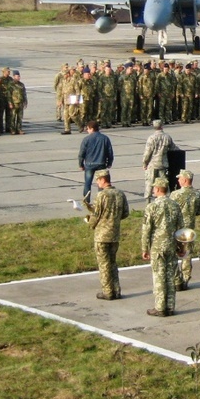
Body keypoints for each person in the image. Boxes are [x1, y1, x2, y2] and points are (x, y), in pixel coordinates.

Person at [141, 177, 184, 317]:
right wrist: (181, 246)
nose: (153, 190)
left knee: (159, 276)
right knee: (170, 276)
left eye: (154, 188)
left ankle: (160, 307)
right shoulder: (175, 205)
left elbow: (146, 229)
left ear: (159, 189)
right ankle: (170, 306)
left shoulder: (152, 206)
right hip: (171, 244)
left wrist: (144, 248)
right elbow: (180, 228)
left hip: (157, 246)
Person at [86, 169, 129, 300]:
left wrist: (90, 223)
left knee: (104, 264)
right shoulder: (120, 194)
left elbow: (96, 214)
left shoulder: (101, 195)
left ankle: (107, 291)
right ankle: (116, 290)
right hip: (114, 234)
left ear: (102, 179)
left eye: (98, 180)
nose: (97, 183)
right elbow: (125, 213)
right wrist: (113, 219)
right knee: (113, 263)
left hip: (102, 235)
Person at [170, 169, 200, 291]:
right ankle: (185, 278)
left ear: (184, 180)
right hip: (189, 228)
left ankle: (176, 279)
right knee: (187, 254)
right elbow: (199, 211)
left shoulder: (175, 195)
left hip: (176, 228)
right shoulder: (197, 194)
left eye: (180, 178)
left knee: (173, 254)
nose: (178, 180)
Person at [78, 120, 114, 204]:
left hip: (89, 164)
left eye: (88, 129)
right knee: (101, 183)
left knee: (87, 183)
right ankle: (101, 200)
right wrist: (109, 162)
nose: (87, 131)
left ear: (91, 128)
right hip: (101, 163)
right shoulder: (105, 138)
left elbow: (81, 153)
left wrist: (81, 164)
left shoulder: (86, 139)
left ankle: (86, 201)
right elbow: (110, 152)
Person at [142, 120, 174, 203]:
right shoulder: (167, 137)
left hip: (152, 164)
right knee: (164, 182)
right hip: (163, 163)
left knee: (149, 182)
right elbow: (173, 148)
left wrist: (145, 163)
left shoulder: (151, 138)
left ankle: (148, 201)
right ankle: (166, 199)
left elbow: (148, 152)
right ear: (162, 126)